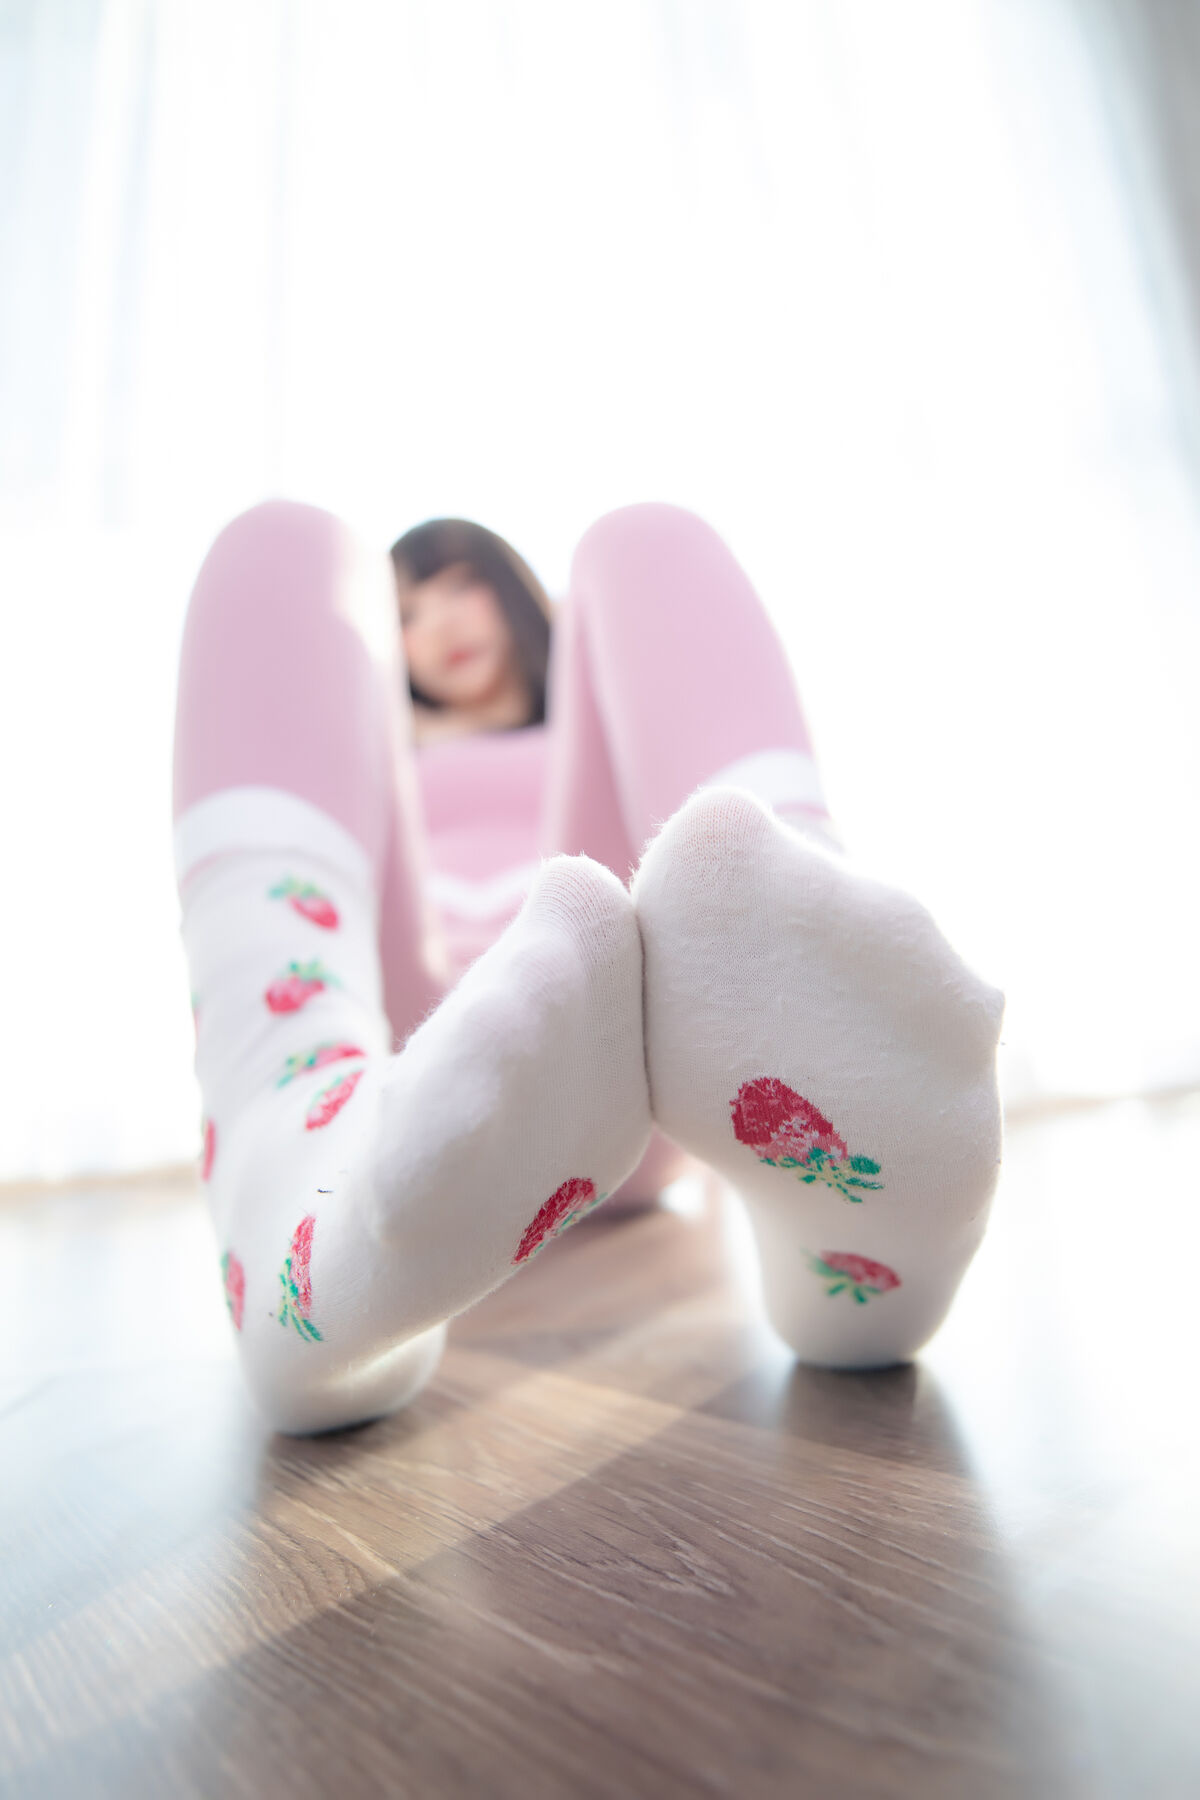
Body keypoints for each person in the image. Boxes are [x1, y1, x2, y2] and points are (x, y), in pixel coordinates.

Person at [172, 499, 1005, 1434]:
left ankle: (814, 983)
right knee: (283, 547)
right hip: (411, 1058)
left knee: (641, 543)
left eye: (460, 587)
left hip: (630, 1042)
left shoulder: (584, 729)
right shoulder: (380, 765)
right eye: (405, 614)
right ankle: (305, 1195)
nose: (439, 624)